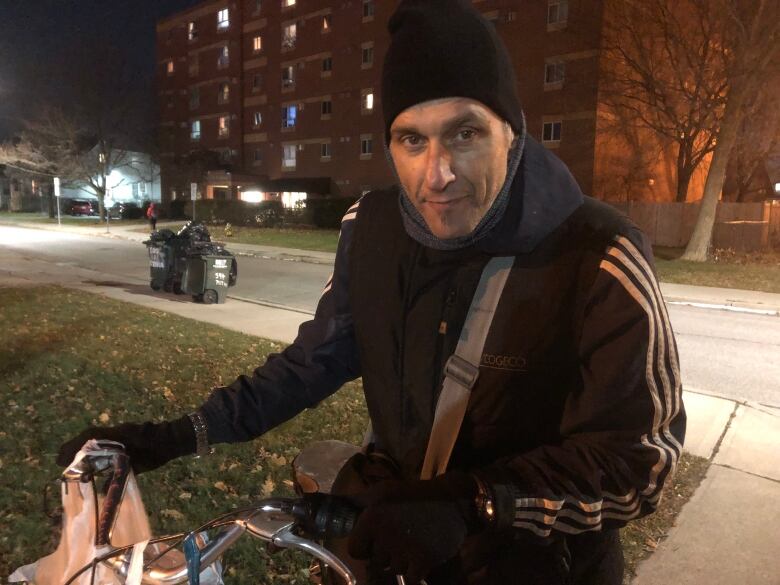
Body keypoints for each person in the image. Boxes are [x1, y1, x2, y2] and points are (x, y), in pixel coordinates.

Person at [58, 1, 685, 583]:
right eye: (412, 139)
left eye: (465, 134)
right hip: (391, 545)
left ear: (512, 132)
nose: (436, 175)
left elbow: (639, 463)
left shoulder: (599, 253)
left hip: (535, 566)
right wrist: (177, 434)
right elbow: (313, 363)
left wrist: (475, 504)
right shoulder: (372, 229)